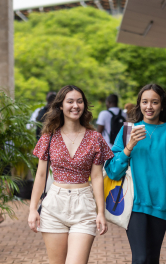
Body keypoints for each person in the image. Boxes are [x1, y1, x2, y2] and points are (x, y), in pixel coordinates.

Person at [104, 84, 166, 264]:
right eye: (145, 102)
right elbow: (113, 170)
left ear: (162, 105)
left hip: (161, 202)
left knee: (152, 259)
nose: (149, 106)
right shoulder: (127, 131)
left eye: (155, 102)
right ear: (139, 105)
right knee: (140, 258)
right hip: (134, 202)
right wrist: (129, 147)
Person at [28, 85, 112, 264]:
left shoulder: (94, 138)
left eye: (80, 101)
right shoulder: (48, 136)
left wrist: (101, 212)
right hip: (54, 206)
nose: (75, 106)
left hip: (84, 206)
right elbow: (41, 175)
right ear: (60, 106)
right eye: (70, 101)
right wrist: (33, 209)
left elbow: (97, 177)